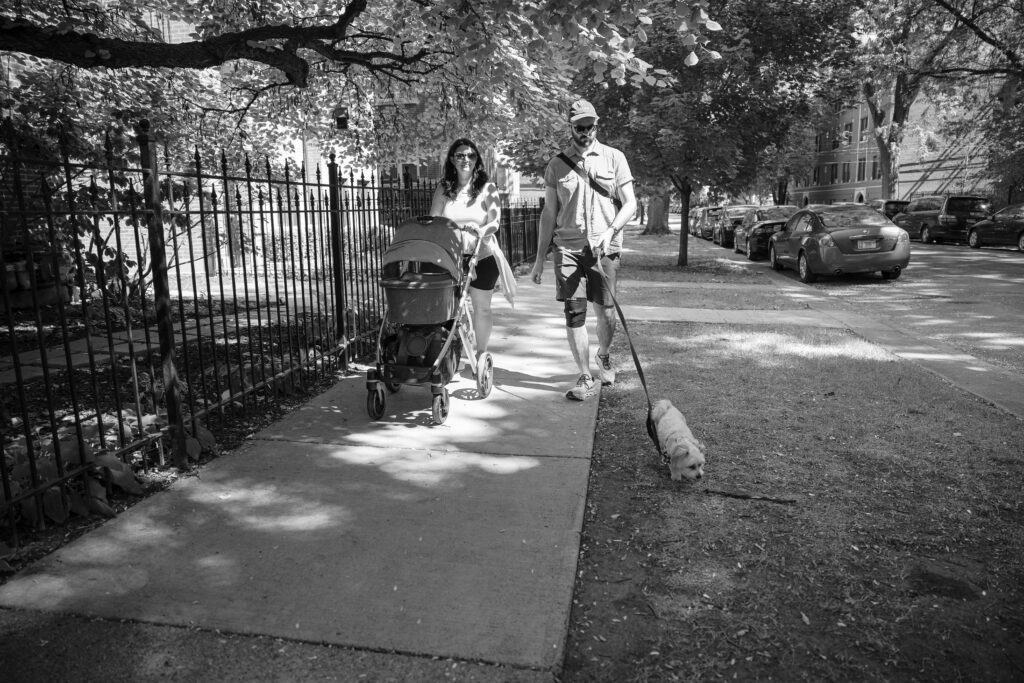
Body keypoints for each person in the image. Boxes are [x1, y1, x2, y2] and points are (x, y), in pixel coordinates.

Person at [529, 99, 637, 401]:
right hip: (568, 248)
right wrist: (539, 260)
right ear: (571, 128)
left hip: (605, 249)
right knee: (574, 313)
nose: (586, 132)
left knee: (606, 312)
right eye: (580, 127)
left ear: (596, 126)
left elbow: (630, 204)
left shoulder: (614, 158)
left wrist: (610, 231)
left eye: (590, 126)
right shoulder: (557, 164)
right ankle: (585, 375)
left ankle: (603, 355)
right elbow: (549, 213)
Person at [430, 138, 516, 360]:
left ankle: (480, 353)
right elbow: (434, 219)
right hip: (450, 256)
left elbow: (495, 222)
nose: (465, 159)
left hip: (482, 254)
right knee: (449, 308)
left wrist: (481, 229)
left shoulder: (488, 188)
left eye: (471, 155)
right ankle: (450, 349)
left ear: (477, 160)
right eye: (460, 155)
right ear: (452, 159)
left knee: (482, 307)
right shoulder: (444, 188)